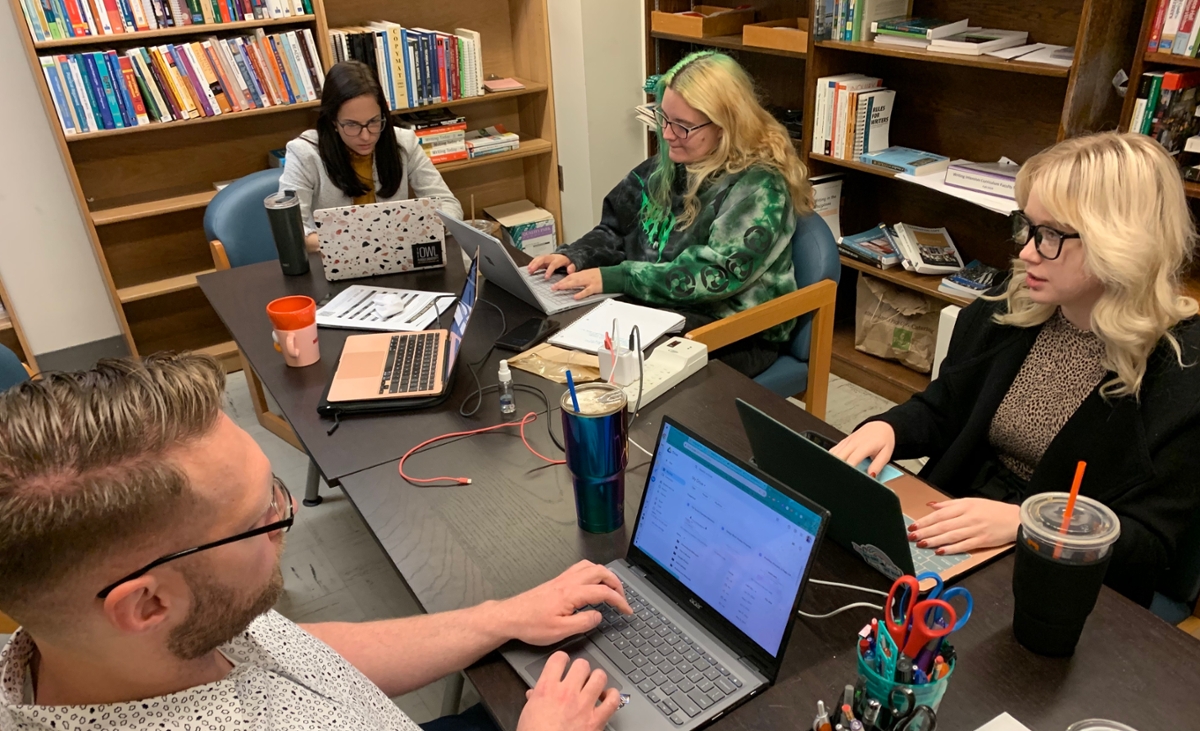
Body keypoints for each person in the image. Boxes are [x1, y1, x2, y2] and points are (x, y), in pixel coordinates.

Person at [0, 354, 629, 731]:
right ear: (146, 604)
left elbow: (300, 653)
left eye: (273, 487)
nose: (289, 512)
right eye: (259, 518)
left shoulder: (155, 643)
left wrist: (502, 617)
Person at [830, 132, 1200, 607]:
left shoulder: (1183, 373)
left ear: (1122, 243)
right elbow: (944, 408)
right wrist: (889, 427)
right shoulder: (1015, 300)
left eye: (1050, 236)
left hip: (1068, 578)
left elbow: (1147, 548)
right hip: (959, 514)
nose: (1026, 252)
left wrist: (1030, 522)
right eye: (1027, 226)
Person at [527, 51, 812, 378]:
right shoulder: (671, 164)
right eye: (663, 118)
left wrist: (620, 276)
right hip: (661, 309)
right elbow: (616, 228)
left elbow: (715, 274)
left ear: (727, 124)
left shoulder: (760, 186)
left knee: (619, 370)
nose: (666, 134)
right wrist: (576, 255)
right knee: (569, 335)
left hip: (733, 330)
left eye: (683, 126)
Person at [279, 60, 463, 252]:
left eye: (374, 122)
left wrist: (417, 231)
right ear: (333, 121)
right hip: (333, 264)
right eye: (352, 124)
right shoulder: (304, 153)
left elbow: (449, 205)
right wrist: (361, 241)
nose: (366, 136)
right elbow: (290, 232)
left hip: (396, 257)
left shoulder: (404, 142)